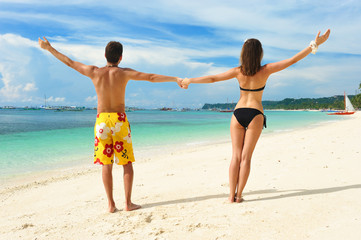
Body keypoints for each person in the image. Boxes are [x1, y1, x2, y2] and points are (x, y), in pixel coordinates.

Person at [181, 29, 331, 203]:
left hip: (238, 114)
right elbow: (292, 60)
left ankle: (230, 196)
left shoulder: (238, 71)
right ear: (260, 53)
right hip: (255, 114)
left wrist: (189, 80)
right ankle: (239, 196)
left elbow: (213, 78)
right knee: (246, 158)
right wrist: (314, 45)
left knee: (235, 156)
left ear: (243, 54)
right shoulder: (266, 70)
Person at [38, 38, 182, 212]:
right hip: (119, 121)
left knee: (107, 164)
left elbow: (69, 62)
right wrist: (175, 78)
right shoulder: (124, 73)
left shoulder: (94, 72)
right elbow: (151, 77)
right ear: (120, 58)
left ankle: (111, 205)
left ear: (104, 55)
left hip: (102, 122)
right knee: (126, 163)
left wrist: (49, 48)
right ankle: (128, 203)